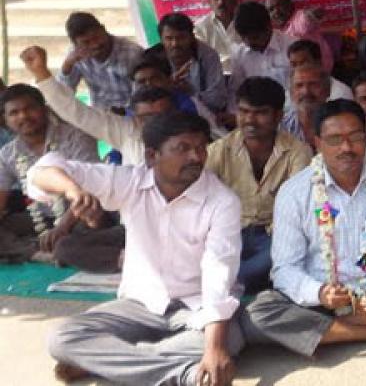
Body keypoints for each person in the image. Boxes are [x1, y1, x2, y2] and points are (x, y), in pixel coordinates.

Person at [32, 113, 244, 386]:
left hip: (196, 306)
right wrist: (73, 191)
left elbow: (219, 273)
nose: (196, 157)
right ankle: (184, 376)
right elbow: (42, 171)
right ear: (152, 156)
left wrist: (214, 349)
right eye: (183, 148)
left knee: (228, 340)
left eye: (201, 148)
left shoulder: (222, 201)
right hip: (140, 304)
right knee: (62, 338)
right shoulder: (129, 182)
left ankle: (110, 362)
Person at [241, 100, 366, 357]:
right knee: (259, 312)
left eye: (355, 137)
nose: (346, 148)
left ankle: (331, 331)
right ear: (317, 143)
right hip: (322, 301)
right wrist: (320, 293)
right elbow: (285, 267)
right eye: (334, 140)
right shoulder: (295, 192)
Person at [205, 77, 313, 293]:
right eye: (243, 111)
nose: (249, 120)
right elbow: (201, 199)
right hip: (229, 231)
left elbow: (299, 210)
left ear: (278, 116)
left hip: (275, 235)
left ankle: (235, 283)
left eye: (260, 113)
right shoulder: (219, 150)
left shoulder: (298, 152)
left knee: (272, 260)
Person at [0, 84, 101, 266]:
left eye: (30, 108)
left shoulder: (75, 137)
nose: (23, 116)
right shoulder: (8, 153)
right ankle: (37, 253)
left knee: (91, 225)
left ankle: (52, 248)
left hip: (81, 213)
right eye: (14, 113)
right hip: (41, 217)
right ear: (5, 120)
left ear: (44, 110)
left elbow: (91, 187)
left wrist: (62, 227)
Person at [24, 44, 176, 163]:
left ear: (174, 114)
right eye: (146, 117)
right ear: (135, 118)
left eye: (160, 115)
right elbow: (75, 112)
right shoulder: (125, 131)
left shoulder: (192, 135)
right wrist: (41, 73)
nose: (154, 121)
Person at [144, 12, 229, 115]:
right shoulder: (152, 58)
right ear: (161, 40)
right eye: (169, 38)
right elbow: (145, 99)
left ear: (192, 37)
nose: (175, 44)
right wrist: (167, 86)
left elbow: (218, 100)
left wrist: (191, 93)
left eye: (181, 38)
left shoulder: (207, 55)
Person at [59, 12, 144, 114]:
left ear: (104, 29)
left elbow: (142, 95)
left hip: (133, 115)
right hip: (100, 116)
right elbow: (62, 95)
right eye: (86, 42)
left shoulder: (131, 53)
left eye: (96, 37)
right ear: (76, 45)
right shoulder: (77, 56)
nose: (95, 45)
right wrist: (67, 66)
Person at [130, 57, 225, 136]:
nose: (149, 84)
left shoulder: (189, 105)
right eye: (141, 82)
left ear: (168, 80)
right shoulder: (132, 111)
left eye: (155, 79)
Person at [230, 1, 296, 94]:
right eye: (243, 38)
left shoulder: (292, 47)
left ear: (269, 27)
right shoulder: (238, 53)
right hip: (253, 106)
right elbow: (236, 91)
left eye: (255, 38)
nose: (248, 43)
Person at [266, 0, 333, 74]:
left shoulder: (298, 17)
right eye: (271, 9)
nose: (276, 11)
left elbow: (307, 18)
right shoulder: (273, 32)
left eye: (280, 5)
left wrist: (313, 14)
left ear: (290, 5)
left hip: (319, 75)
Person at [194, 0, 242, 72]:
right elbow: (201, 57)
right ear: (209, 2)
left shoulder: (245, 22)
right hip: (214, 75)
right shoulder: (200, 27)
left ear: (234, 1)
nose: (221, 3)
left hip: (244, 74)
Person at [281, 64, 331, 148]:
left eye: (313, 84)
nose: (306, 91)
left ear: (327, 90)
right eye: (299, 85)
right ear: (291, 93)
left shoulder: (342, 125)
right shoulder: (280, 127)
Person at [286, 40, 352, 102]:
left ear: (318, 62)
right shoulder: (289, 92)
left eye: (303, 63)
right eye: (294, 64)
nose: (298, 68)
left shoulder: (340, 93)